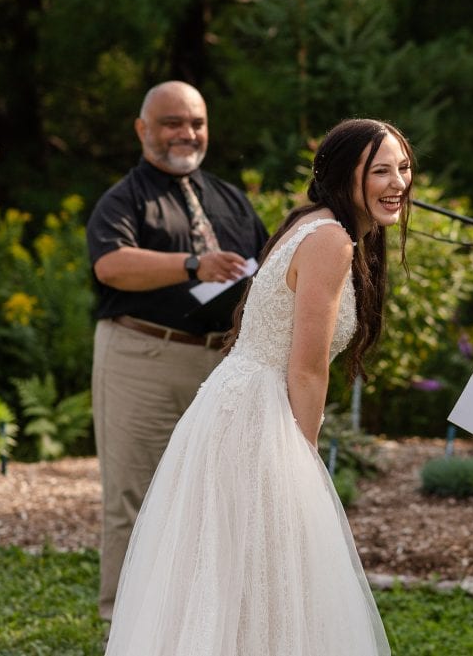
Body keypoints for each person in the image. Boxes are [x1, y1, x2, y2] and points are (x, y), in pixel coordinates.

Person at [103, 117, 413, 655]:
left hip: (235, 403)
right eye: (380, 170)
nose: (398, 183)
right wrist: (304, 454)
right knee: (263, 566)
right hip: (259, 417)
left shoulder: (311, 223)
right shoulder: (331, 240)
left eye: (403, 168)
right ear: (345, 176)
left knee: (234, 569)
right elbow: (308, 367)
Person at [86, 80, 270, 629]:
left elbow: (267, 262)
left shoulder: (230, 197)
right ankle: (125, 624)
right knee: (134, 498)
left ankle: (202, 625)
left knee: (218, 499)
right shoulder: (123, 199)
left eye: (196, 123)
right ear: (143, 130)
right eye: (172, 123)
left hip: (223, 364)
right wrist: (193, 265)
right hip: (142, 357)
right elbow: (110, 266)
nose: (186, 133)